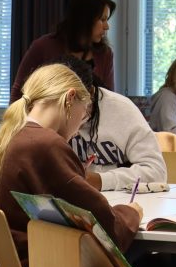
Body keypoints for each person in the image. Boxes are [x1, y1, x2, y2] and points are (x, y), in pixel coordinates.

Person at [0, 63, 141, 267]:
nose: (77, 130)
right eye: (83, 116)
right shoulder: (46, 145)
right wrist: (131, 213)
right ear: (70, 98)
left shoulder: (6, 137)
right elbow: (105, 228)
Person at [53, 56, 167, 192]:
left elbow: (157, 172)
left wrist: (102, 180)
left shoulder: (122, 109)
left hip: (118, 197)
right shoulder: (47, 112)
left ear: (90, 94)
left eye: (72, 106)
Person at [11, 0, 116, 101]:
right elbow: (18, 93)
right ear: (85, 19)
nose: (107, 26)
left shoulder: (105, 54)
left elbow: (109, 99)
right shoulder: (42, 47)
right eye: (102, 19)